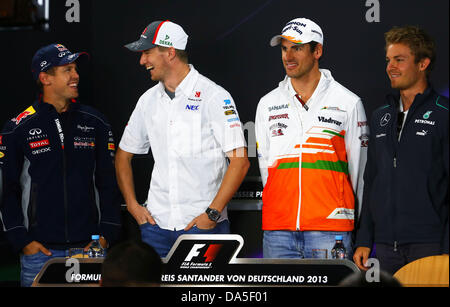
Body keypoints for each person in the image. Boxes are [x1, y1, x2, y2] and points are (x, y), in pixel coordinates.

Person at [115, 20, 249, 258]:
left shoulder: (214, 96)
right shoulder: (147, 101)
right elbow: (123, 156)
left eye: (147, 52)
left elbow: (240, 160)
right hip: (156, 228)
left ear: (170, 52)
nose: (142, 61)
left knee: (203, 297)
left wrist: (212, 215)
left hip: (204, 228)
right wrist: (134, 207)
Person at [0, 43, 121, 287]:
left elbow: (108, 183)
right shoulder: (17, 128)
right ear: (45, 78)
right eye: (67, 69)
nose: (76, 76)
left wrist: (106, 236)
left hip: (91, 248)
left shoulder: (96, 122)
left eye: (75, 69)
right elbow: (6, 191)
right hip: (40, 252)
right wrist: (22, 241)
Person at [255, 18, 369, 259]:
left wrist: (355, 225)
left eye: (297, 48)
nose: (288, 56)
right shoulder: (267, 103)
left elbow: (359, 173)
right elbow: (266, 168)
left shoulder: (348, 102)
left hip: (331, 230)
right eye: (284, 48)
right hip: (278, 230)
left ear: (317, 51)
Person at [353, 26, 449, 275]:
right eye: (388, 60)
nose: (390, 67)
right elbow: (371, 181)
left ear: (422, 63)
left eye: (399, 59)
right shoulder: (379, 117)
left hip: (430, 244)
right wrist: (365, 238)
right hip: (384, 248)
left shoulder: (444, 114)